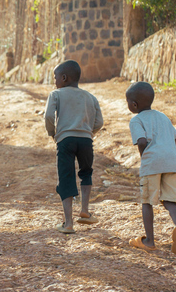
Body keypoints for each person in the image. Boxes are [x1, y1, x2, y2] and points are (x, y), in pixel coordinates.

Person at [126, 81, 176, 254]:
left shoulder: (136, 120)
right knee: (170, 199)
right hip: (172, 162)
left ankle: (149, 241)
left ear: (134, 104)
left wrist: (145, 156)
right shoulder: (163, 116)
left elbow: (142, 141)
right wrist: (165, 151)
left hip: (152, 163)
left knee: (147, 201)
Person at [44, 60, 103, 234]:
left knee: (66, 177)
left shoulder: (56, 94)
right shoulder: (90, 97)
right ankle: (85, 210)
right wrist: (88, 133)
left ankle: (68, 223)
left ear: (64, 77)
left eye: (55, 77)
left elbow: (48, 116)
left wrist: (53, 133)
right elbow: (99, 122)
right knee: (86, 172)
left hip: (65, 140)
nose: (54, 81)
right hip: (86, 140)